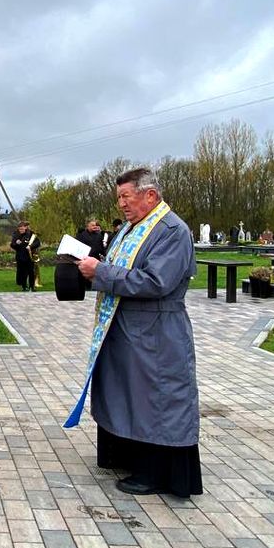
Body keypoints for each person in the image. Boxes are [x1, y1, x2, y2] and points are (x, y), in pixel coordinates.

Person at [74, 167, 203, 498]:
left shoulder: (171, 231)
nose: (121, 204)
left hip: (156, 333)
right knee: (129, 395)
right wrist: (93, 266)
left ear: (150, 195)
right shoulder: (131, 229)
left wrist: (101, 272)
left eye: (126, 196)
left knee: (155, 400)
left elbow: (156, 281)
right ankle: (128, 458)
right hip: (130, 330)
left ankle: (155, 473)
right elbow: (121, 267)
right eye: (118, 197)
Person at [10, 221, 40, 291]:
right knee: (23, 272)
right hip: (20, 257)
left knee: (31, 272)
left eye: (22, 229)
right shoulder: (16, 235)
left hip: (29, 256)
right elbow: (12, 244)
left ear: (25, 228)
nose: (21, 230)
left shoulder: (31, 234)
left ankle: (32, 286)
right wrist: (16, 244)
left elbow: (37, 243)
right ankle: (24, 287)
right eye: (19, 229)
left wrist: (30, 246)